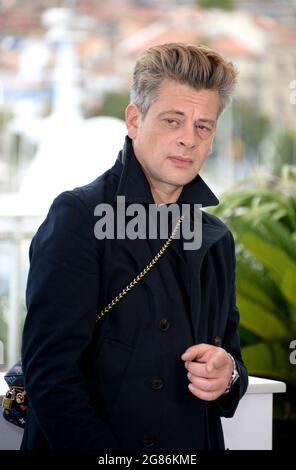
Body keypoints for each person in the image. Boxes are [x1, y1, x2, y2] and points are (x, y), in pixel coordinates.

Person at [21, 42, 248, 451]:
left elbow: (231, 357)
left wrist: (228, 372)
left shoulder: (216, 238)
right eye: (172, 120)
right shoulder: (78, 217)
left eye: (203, 126)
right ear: (134, 119)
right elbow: (50, 376)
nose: (188, 140)